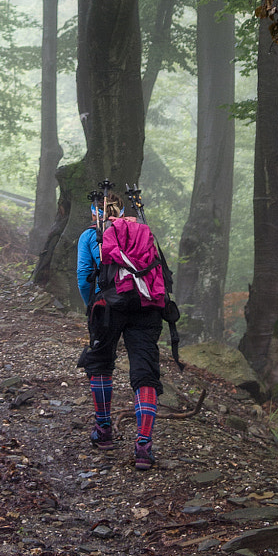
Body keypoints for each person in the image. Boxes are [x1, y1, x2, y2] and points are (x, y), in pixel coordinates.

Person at [76, 197, 163, 469]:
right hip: (147, 304)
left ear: (94, 212)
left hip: (107, 305)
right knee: (145, 370)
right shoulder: (142, 233)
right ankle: (143, 445)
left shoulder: (91, 235)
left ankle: (104, 431)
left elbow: (84, 273)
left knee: (101, 363)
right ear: (124, 212)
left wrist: (90, 304)